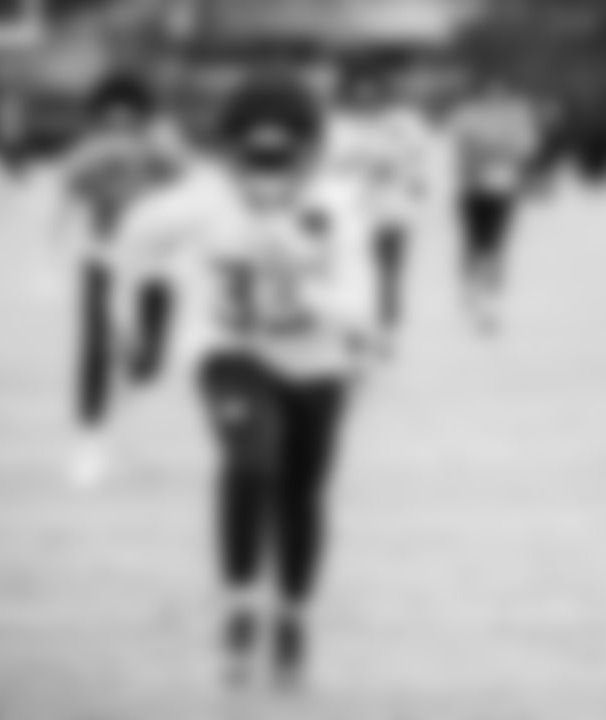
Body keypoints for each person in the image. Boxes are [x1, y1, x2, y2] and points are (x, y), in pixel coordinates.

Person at [113, 76, 380, 689]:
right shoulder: (201, 200)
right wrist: (139, 319)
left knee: (301, 493)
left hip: (315, 361)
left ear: (310, 153)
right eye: (255, 157)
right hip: (231, 351)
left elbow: (362, 308)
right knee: (251, 459)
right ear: (229, 153)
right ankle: (239, 603)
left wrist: (305, 286)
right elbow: (130, 241)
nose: (268, 174)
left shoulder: (337, 209)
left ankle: (292, 615)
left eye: (283, 158)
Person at [51, 72, 189, 487]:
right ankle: (89, 441)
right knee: (95, 349)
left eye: (128, 120)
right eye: (110, 120)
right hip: (104, 260)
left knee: (149, 362)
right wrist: (51, 254)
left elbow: (185, 179)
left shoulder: (160, 148)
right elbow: (65, 194)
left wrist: (161, 141)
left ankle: (122, 415)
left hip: (154, 267)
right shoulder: (87, 153)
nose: (119, 129)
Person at [325, 62, 432, 355]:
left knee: (389, 273)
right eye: (359, 92)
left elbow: (417, 161)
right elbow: (327, 162)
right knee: (351, 274)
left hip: (392, 210)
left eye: (372, 91)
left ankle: (387, 332)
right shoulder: (337, 125)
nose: (366, 97)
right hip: (350, 212)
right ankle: (354, 331)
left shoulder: (404, 123)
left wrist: (401, 170)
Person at [446, 79, 542, 334]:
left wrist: (496, 148)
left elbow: (527, 148)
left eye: (499, 94)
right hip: (472, 188)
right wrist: (493, 148)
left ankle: (491, 302)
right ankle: (470, 288)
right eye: (489, 93)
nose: (494, 98)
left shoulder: (516, 116)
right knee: (472, 243)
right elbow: (458, 145)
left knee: (495, 246)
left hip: (503, 190)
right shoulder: (468, 115)